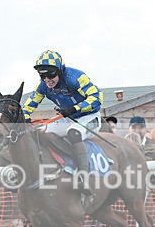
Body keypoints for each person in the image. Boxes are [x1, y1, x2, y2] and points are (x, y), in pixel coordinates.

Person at [22, 50, 103, 194]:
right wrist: (24, 116)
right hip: (67, 117)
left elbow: (97, 98)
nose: (47, 79)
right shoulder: (42, 86)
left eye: (51, 74)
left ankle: (84, 177)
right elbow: (30, 104)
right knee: (41, 132)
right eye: (42, 75)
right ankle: (64, 166)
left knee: (74, 132)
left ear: (60, 70)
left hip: (89, 116)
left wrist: (75, 108)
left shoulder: (76, 77)